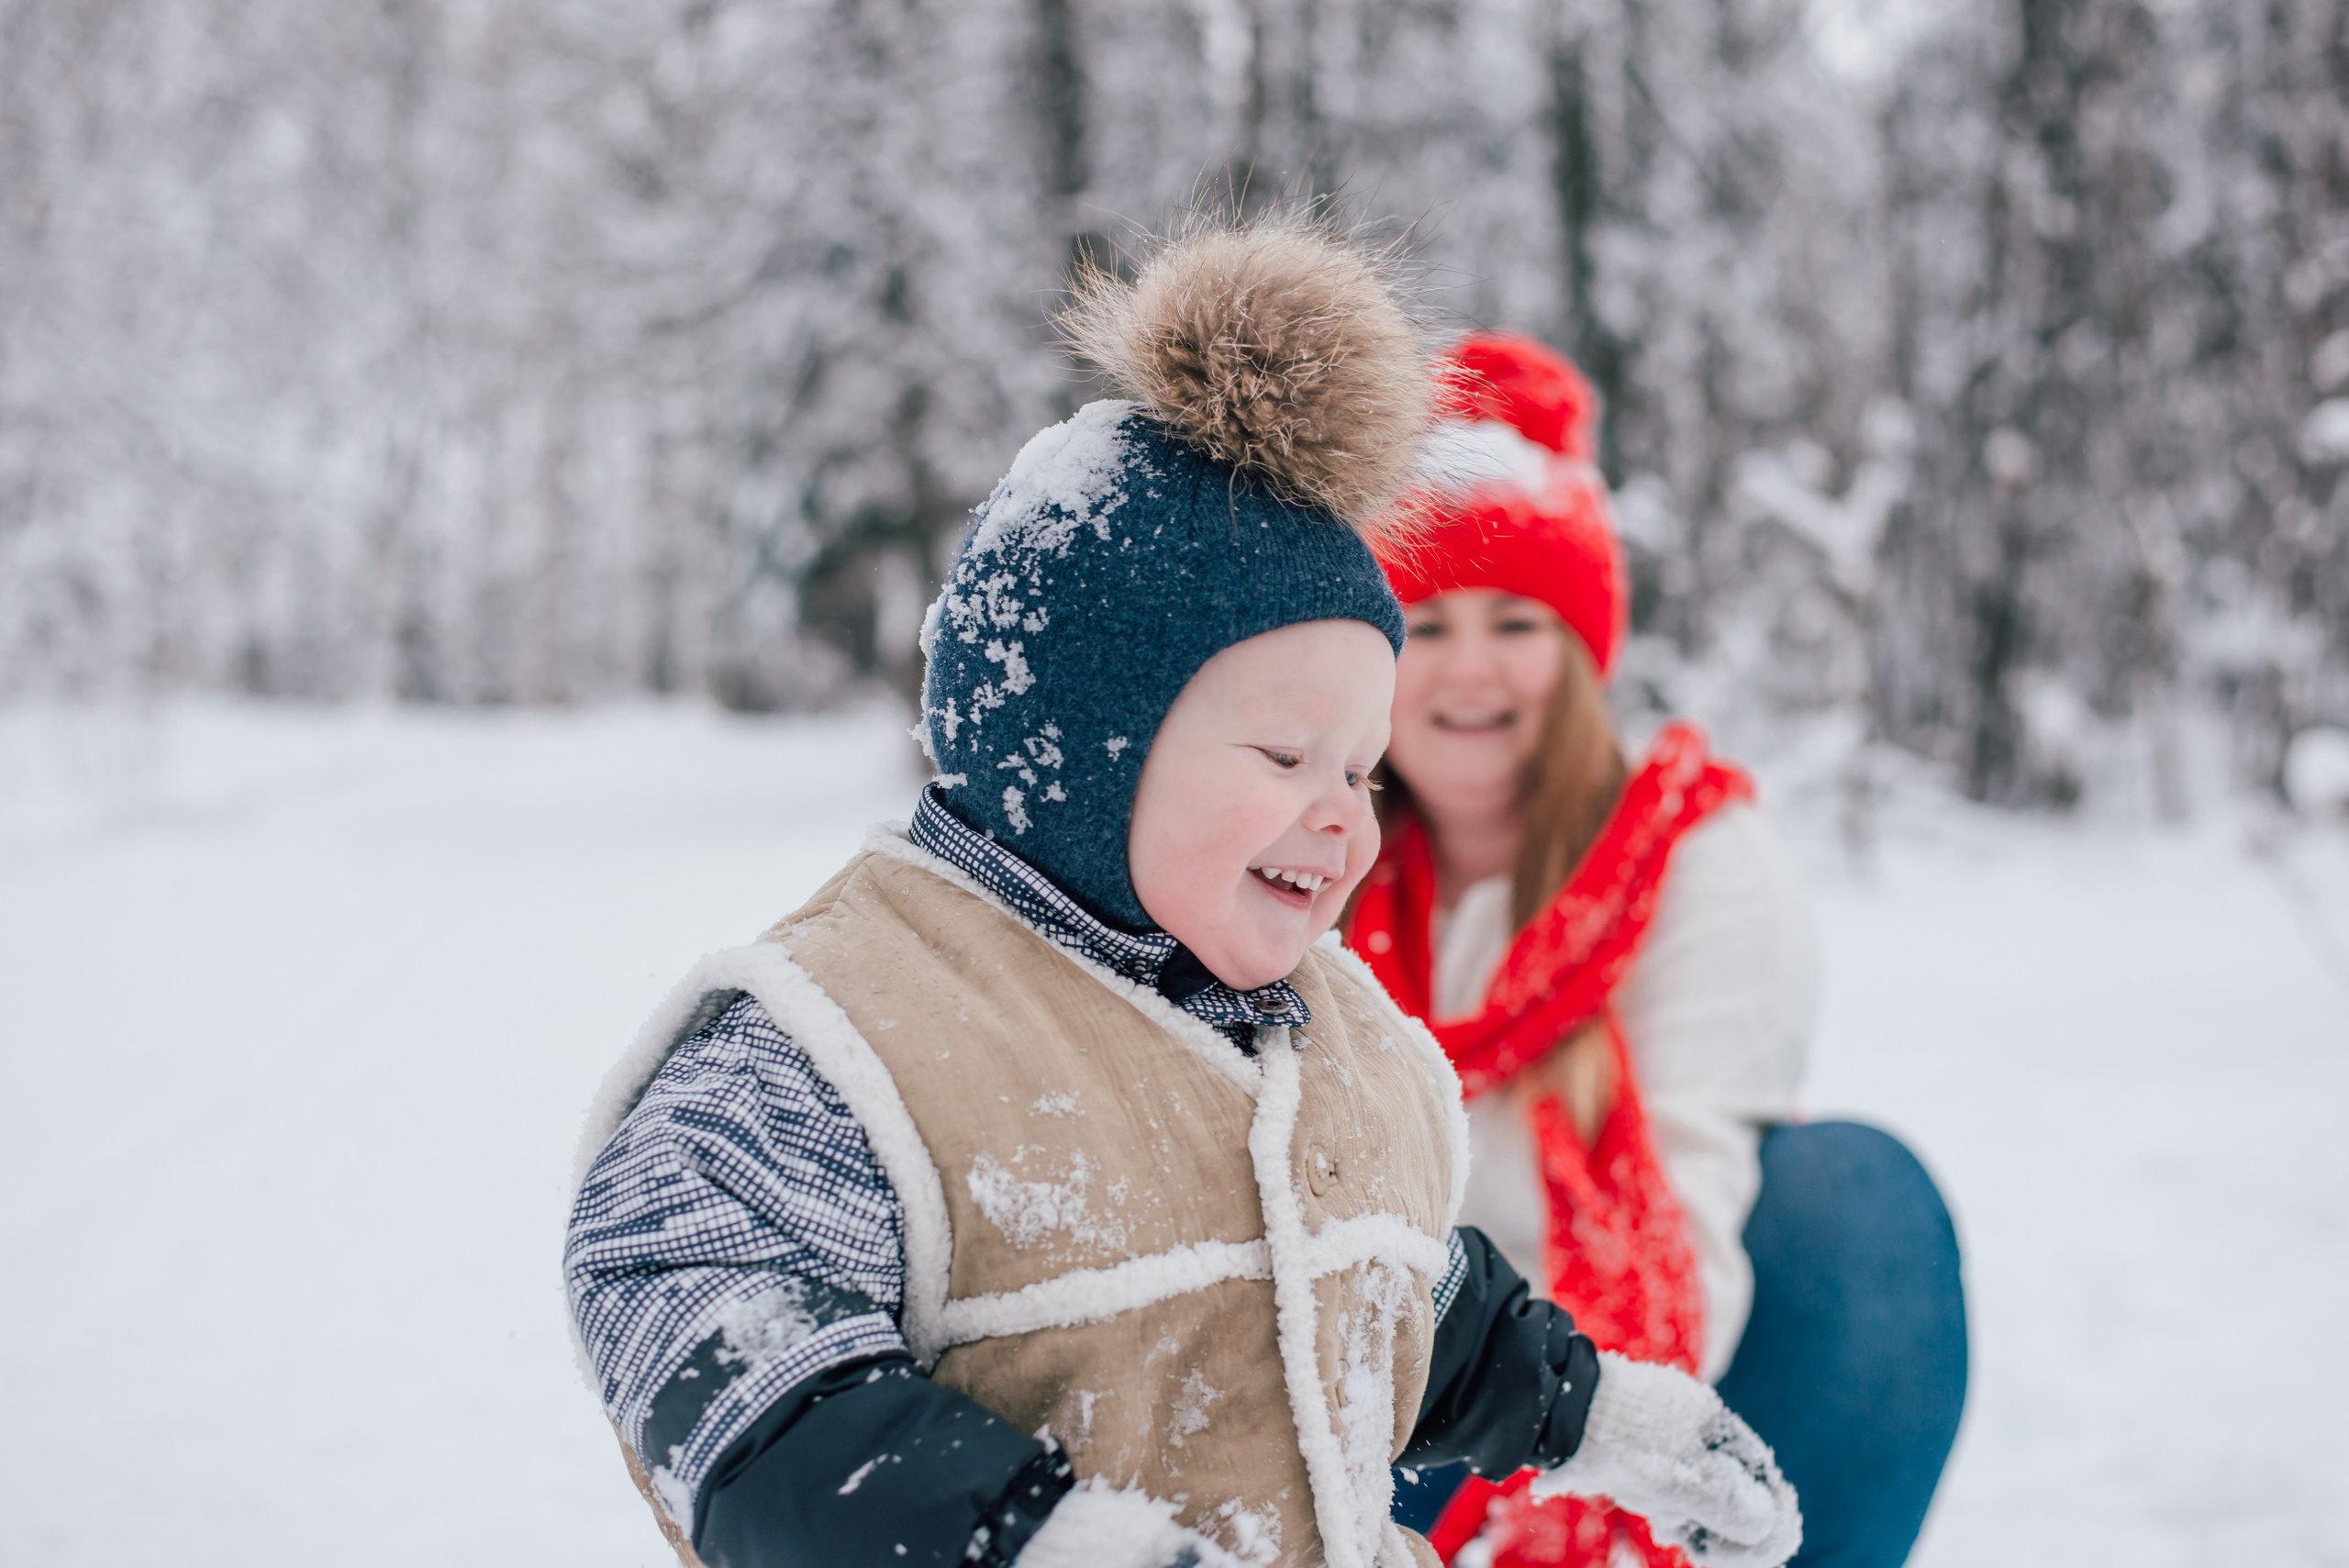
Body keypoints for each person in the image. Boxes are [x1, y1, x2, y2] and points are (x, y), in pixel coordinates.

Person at [562, 227, 1804, 1568]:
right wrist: (1037, 1543)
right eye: (1285, 756)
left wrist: (1603, 1414)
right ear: (1085, 743)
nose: (1346, 816)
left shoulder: (1315, 1034)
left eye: (1362, 769)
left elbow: (1394, 1290)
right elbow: (693, 1295)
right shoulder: (864, 1034)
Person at [1349, 335, 1966, 1568]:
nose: (1469, 671)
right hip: (1389, 1393)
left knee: (1858, 1199)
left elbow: (1685, 1208)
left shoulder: (1685, 852)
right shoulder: (1310, 854)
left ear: (1580, 648)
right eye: (1429, 621)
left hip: (1610, 1384)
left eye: (1514, 621)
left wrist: (1587, 1439)